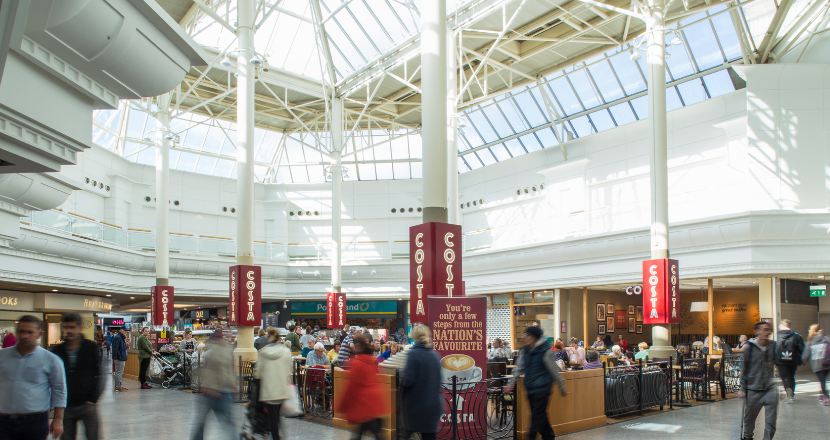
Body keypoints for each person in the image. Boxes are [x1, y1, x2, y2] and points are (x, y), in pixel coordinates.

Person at [0, 315, 67, 439]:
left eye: (30, 332)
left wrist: (58, 420)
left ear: (39, 334)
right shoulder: (2, 357)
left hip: (34, 422)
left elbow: (59, 390)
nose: (25, 336)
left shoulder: (51, 360)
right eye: (21, 331)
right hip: (3, 422)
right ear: (16, 331)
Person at [505, 326, 567, 440]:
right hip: (530, 389)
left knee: (536, 417)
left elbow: (554, 370)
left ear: (533, 337)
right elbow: (519, 368)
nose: (524, 337)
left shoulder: (544, 351)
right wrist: (510, 383)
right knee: (540, 416)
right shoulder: (525, 351)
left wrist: (562, 387)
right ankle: (549, 436)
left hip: (542, 389)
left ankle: (531, 437)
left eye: (526, 335)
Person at [52, 313, 104, 440]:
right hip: (66, 406)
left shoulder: (90, 347)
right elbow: (53, 378)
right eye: (66, 327)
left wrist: (93, 398)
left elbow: (100, 373)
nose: (69, 331)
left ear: (80, 328)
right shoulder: (58, 351)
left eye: (72, 327)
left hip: (88, 404)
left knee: (93, 436)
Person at [336, 333, 387, 439]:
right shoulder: (372, 360)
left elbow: (351, 387)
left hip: (363, 405)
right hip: (373, 403)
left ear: (357, 345)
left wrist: (342, 406)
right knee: (370, 432)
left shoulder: (357, 363)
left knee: (361, 433)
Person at [191, 331, 236, 440]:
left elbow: (203, 370)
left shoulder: (210, 353)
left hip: (211, 391)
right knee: (228, 422)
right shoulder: (227, 352)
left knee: (201, 422)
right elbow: (229, 371)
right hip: (223, 391)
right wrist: (232, 386)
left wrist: (203, 384)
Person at [400, 325, 441, 440]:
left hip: (417, 406)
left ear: (414, 337)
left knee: (405, 435)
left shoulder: (413, 354)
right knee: (429, 437)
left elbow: (408, 380)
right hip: (433, 406)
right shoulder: (435, 355)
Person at [739, 321, 778, 440]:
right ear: (757, 331)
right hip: (753, 389)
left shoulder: (774, 346)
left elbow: (780, 364)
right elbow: (744, 369)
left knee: (771, 421)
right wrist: (742, 388)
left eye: (769, 329)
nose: (768, 332)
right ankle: (748, 436)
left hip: (770, 389)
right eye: (765, 329)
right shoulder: (749, 348)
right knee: (749, 418)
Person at [254, 329, 292, 440]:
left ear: (268, 338)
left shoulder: (263, 353)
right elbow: (289, 369)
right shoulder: (286, 351)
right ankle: (279, 435)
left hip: (269, 390)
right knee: (278, 415)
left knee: (272, 417)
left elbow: (258, 373)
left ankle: (275, 437)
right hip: (282, 388)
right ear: (279, 338)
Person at [774, 319, 805, 404]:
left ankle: (788, 393)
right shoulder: (797, 336)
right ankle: (792, 393)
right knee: (791, 376)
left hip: (780, 360)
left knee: (785, 377)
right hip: (793, 359)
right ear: (789, 326)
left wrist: (773, 359)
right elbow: (802, 348)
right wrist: (803, 360)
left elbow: (774, 347)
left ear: (781, 326)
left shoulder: (777, 335)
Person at [802, 324, 830, 405]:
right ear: (820, 331)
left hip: (817, 365)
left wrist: (804, 362)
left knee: (822, 381)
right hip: (827, 363)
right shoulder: (827, 339)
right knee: (823, 380)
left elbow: (806, 354)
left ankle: (826, 397)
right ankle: (822, 394)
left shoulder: (810, 342)